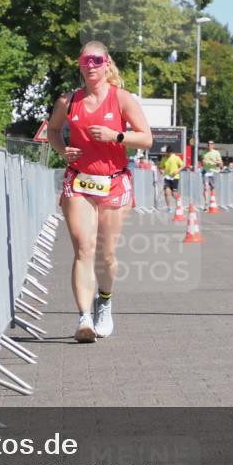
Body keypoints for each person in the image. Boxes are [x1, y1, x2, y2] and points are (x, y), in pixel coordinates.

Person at [47, 41, 152, 343]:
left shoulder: (122, 99)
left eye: (96, 60)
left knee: (105, 254)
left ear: (107, 64)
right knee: (83, 247)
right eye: (85, 60)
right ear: (80, 65)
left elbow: (146, 139)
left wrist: (115, 136)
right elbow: (53, 130)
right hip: (79, 181)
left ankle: (103, 302)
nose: (90, 65)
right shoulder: (68, 101)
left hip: (114, 182)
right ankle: (84, 319)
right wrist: (61, 149)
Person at [158, 146, 184, 212]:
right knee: (166, 193)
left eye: (169, 152)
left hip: (175, 178)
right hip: (167, 178)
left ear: (171, 152)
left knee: (174, 194)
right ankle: (169, 208)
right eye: (167, 152)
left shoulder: (176, 158)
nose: (167, 154)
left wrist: (178, 170)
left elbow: (183, 165)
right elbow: (160, 167)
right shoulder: (164, 158)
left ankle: (179, 203)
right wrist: (161, 170)